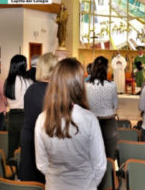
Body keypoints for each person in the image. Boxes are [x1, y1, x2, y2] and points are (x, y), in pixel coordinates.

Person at [34, 58, 106, 189]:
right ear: (79, 85)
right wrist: (88, 184)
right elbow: (100, 166)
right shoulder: (89, 119)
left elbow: (41, 164)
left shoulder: (41, 119)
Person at [19, 52, 58, 183]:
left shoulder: (30, 89)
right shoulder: (57, 91)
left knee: (30, 181)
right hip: (47, 141)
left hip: (28, 138)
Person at [86, 56, 118, 159]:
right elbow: (115, 106)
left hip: (91, 123)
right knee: (109, 158)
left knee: (93, 157)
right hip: (109, 123)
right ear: (106, 69)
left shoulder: (86, 85)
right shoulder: (112, 85)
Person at [4, 55, 33, 160]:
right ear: (23, 65)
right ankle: (21, 172)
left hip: (11, 116)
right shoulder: (27, 81)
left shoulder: (8, 81)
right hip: (23, 116)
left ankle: (10, 170)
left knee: (11, 145)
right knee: (23, 148)